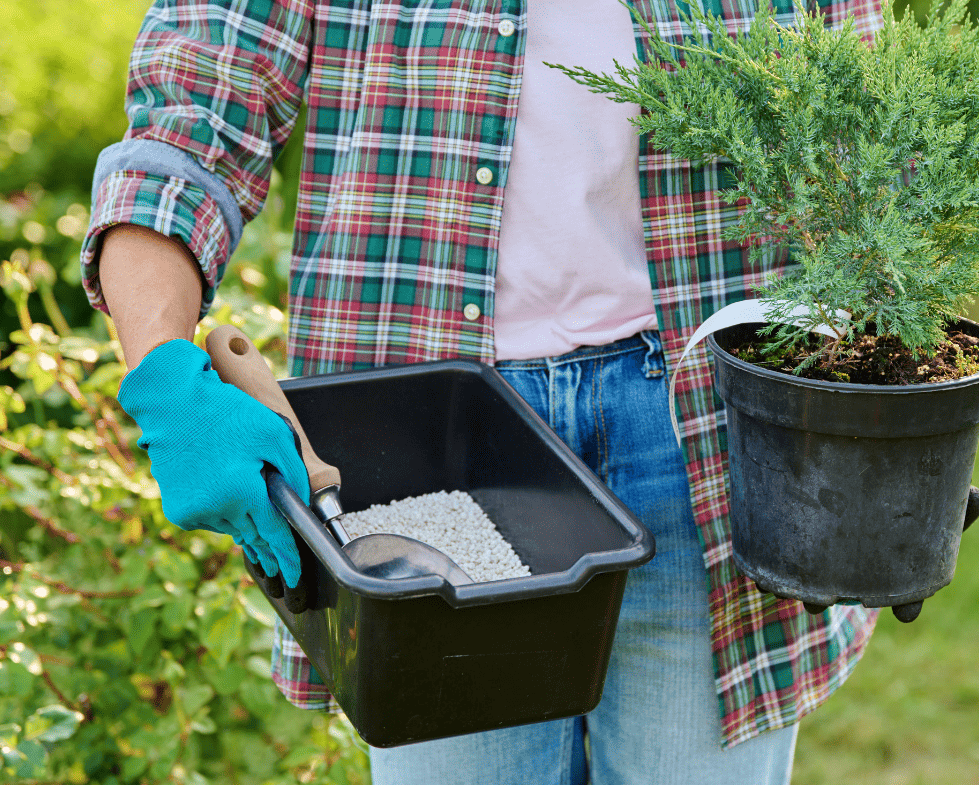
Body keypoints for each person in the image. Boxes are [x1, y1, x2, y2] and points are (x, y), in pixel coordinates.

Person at [84, 0, 884, 781]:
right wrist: (163, 376)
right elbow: (187, 124)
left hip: (706, 438)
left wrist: (897, 421)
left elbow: (873, 137)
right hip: (420, 453)